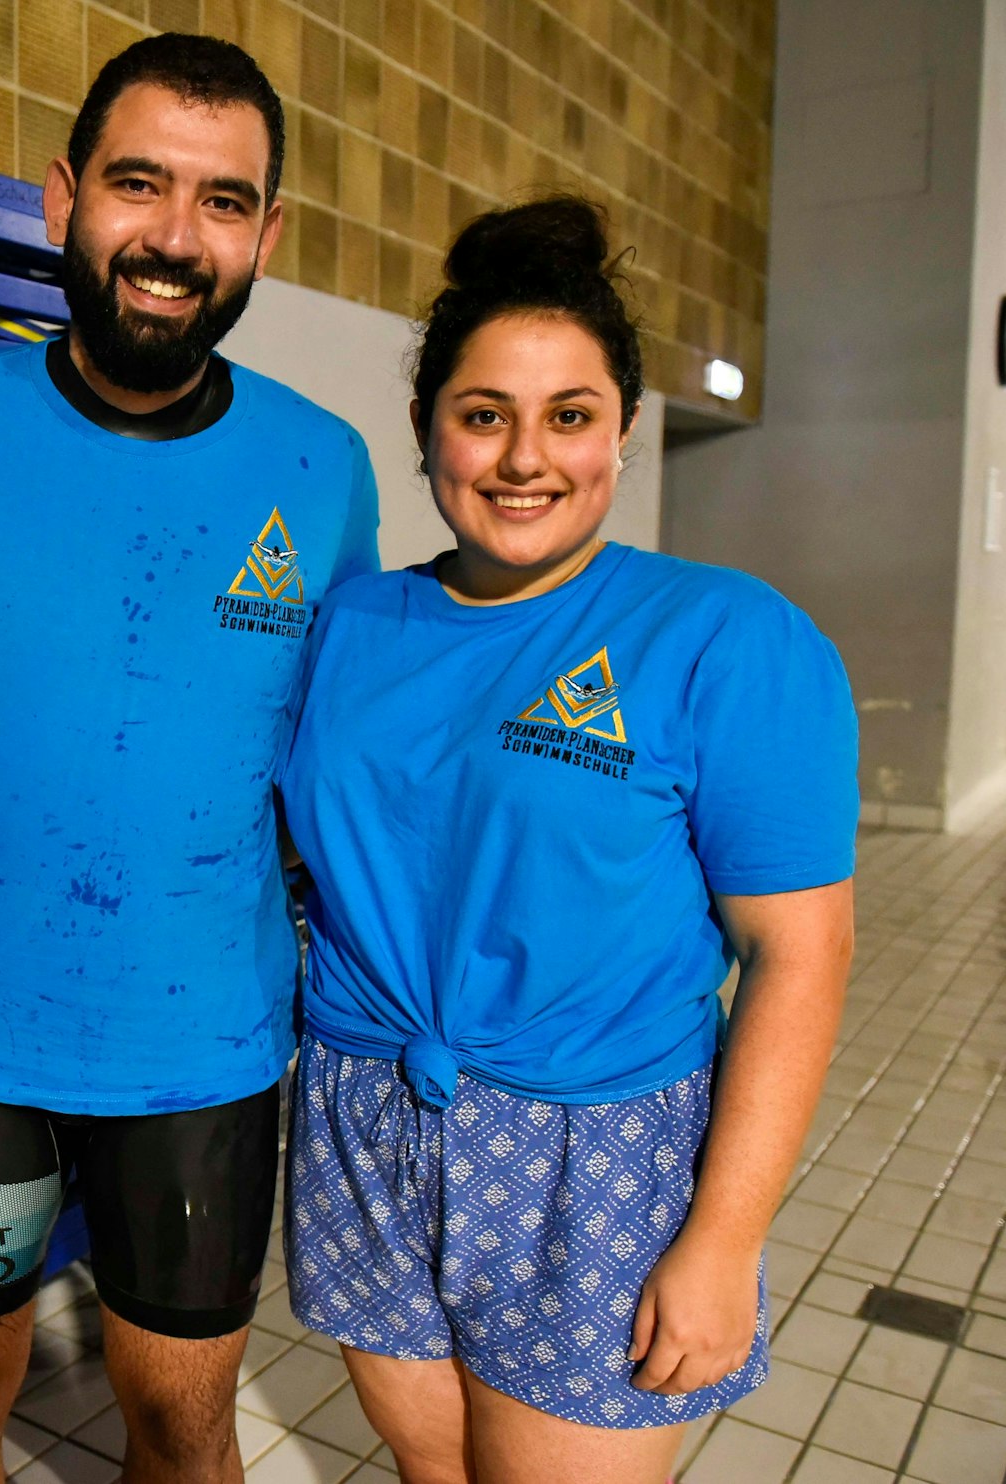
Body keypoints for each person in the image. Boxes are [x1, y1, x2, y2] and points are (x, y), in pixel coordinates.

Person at [0, 35, 380, 1484]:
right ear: (64, 198)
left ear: (267, 235)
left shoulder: (320, 469)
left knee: (181, 1423)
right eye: (138, 185)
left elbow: (338, 746)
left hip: (198, 1041)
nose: (172, 236)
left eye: (222, 201)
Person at [278, 196, 858, 1484]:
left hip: (591, 1152)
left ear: (627, 432)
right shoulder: (357, 626)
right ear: (430, 429)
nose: (524, 457)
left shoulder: (723, 638)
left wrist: (722, 1237)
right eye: (484, 415)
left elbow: (800, 956)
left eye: (571, 415)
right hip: (364, 1123)